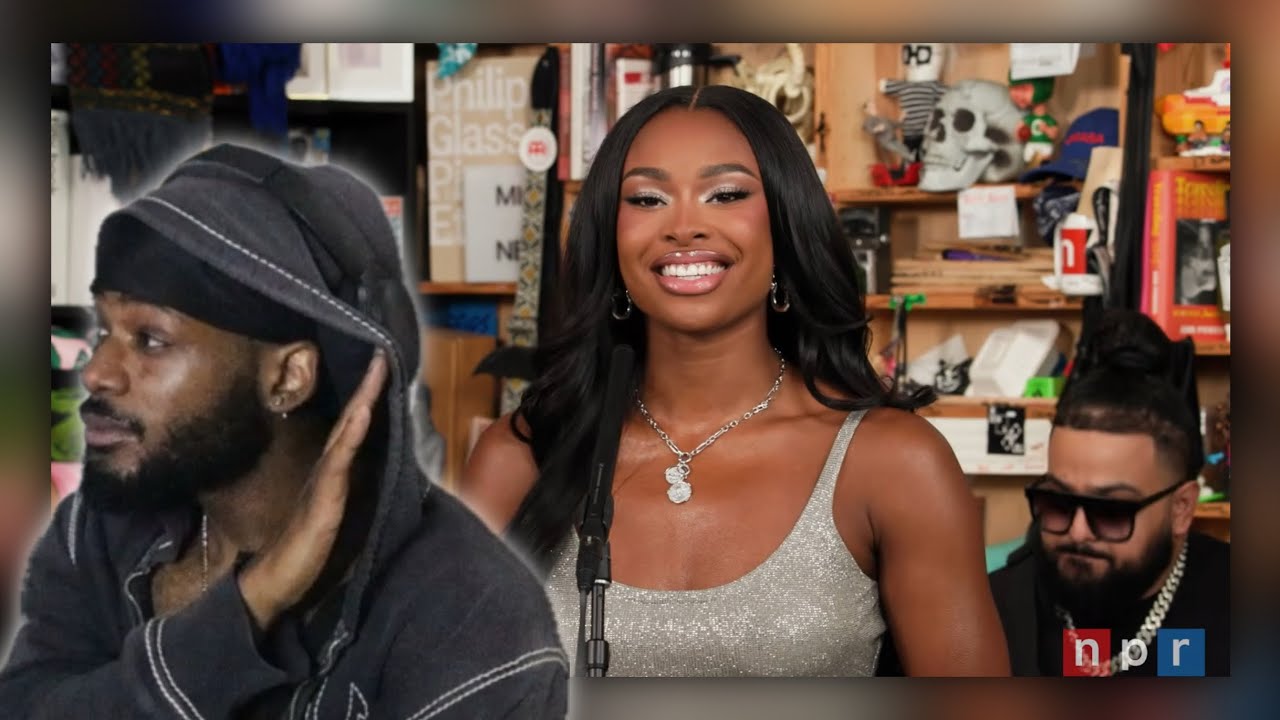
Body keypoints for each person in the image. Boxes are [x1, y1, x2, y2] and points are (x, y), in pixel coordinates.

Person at [459, 85, 1009, 677]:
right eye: (647, 199)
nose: (684, 226)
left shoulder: (894, 462)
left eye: (725, 194)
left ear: (784, 223)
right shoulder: (518, 459)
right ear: (610, 235)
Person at [0, 145, 568, 717]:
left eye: (151, 340)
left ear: (289, 377)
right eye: (105, 330)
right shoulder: (100, 529)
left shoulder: (473, 623)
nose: (95, 371)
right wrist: (250, 604)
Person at [989, 309, 1230, 676]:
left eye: (1111, 511)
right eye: (1059, 503)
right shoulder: (998, 609)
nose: (1078, 532)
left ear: (1181, 508)